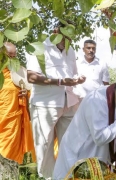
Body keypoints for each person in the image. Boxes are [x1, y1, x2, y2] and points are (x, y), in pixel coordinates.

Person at [53, 78, 116, 179]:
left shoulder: (113, 94)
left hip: (96, 155)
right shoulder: (96, 101)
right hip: (80, 153)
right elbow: (100, 137)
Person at [27, 21, 86, 178]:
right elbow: (31, 76)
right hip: (45, 105)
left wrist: (77, 79)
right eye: (65, 36)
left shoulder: (70, 50)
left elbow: (71, 74)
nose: (68, 41)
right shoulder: (39, 47)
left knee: (71, 142)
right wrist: (59, 81)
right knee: (44, 146)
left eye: (71, 38)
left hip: (70, 102)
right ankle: (48, 177)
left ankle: (68, 176)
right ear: (56, 31)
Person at [0, 42, 36, 164]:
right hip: (2, 120)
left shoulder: (19, 72)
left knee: (12, 158)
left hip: (15, 121)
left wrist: (26, 95)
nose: (12, 59)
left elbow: (31, 94)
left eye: (14, 56)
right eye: (9, 56)